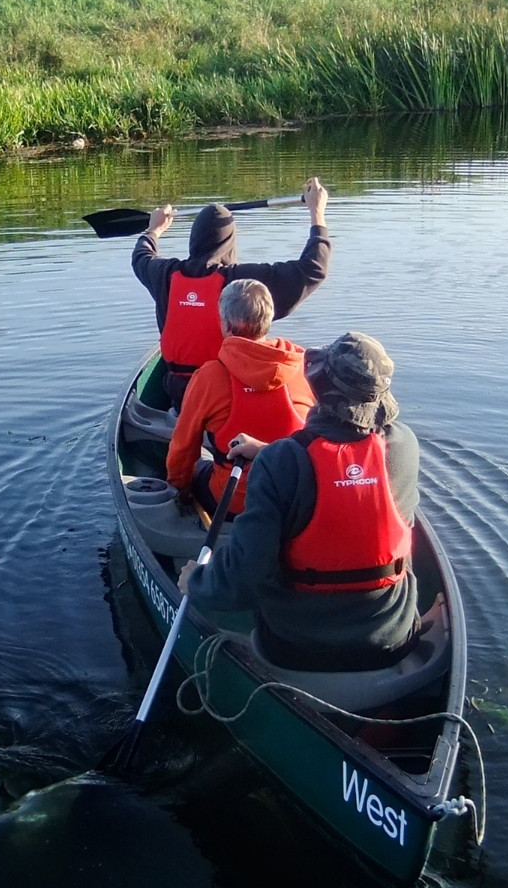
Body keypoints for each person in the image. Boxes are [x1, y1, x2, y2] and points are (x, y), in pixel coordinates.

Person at [178, 332, 420, 673]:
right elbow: (348, 469)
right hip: (392, 640)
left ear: (319, 388)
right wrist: (268, 452)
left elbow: (244, 577)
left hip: (297, 646)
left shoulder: (281, 463)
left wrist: (198, 582)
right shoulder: (404, 446)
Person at [132, 177, 330, 411]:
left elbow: (141, 256)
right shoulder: (243, 284)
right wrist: (317, 214)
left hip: (180, 394)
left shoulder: (164, 274)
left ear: (194, 239)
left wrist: (154, 230)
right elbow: (313, 268)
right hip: (231, 395)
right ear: (229, 243)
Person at [166, 278, 315, 518]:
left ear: (225, 323)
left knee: (196, 470)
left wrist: (179, 490)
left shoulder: (209, 376)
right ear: (269, 320)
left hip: (234, 500)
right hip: (296, 500)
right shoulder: (305, 367)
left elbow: (183, 449)